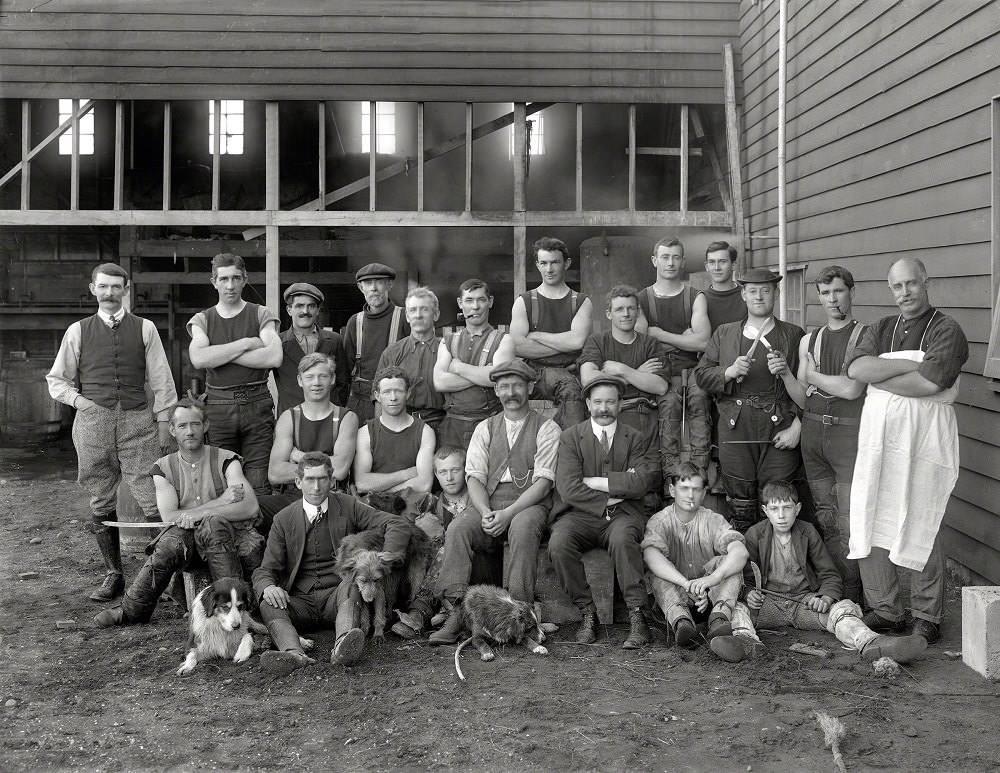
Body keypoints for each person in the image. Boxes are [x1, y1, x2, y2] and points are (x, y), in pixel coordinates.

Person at [845, 258, 969, 644]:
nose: (905, 293)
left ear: (925, 281)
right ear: (890, 289)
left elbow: (932, 383)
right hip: (881, 437)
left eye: (911, 284)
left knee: (924, 517)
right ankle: (886, 609)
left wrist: (883, 374)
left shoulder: (946, 328)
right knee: (873, 512)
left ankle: (926, 615)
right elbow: (855, 369)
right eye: (897, 286)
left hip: (926, 437)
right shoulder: (882, 327)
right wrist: (907, 368)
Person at [47, 262, 178, 602]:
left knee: (152, 494)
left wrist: (164, 421)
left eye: (115, 287)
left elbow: (162, 379)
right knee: (100, 496)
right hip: (94, 421)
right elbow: (56, 380)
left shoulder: (145, 328)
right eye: (103, 287)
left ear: (126, 289)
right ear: (93, 289)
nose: (109, 293)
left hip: (138, 421)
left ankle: (158, 575)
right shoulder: (78, 330)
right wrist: (80, 402)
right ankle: (114, 575)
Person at [94, 399, 262, 627]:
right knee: (168, 545)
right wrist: (222, 501)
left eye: (195, 424)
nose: (190, 431)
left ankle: (237, 616)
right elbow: (170, 516)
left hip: (229, 535)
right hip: (188, 538)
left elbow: (250, 507)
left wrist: (200, 513)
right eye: (182, 426)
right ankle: (132, 611)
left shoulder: (227, 460)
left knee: (214, 525)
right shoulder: (163, 468)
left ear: (205, 426)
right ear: (172, 430)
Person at [430, 359, 560, 645]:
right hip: (490, 502)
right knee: (459, 528)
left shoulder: (547, 429)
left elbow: (543, 483)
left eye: (516, 385)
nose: (510, 392)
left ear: (530, 387)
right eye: (503, 387)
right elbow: (474, 477)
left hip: (529, 505)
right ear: (496, 391)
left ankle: (520, 613)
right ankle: (457, 613)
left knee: (523, 528)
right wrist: (487, 511)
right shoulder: (485, 428)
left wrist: (508, 513)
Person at [252, 452, 411, 672]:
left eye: (322, 479)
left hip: (337, 597)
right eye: (309, 479)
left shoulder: (348, 506)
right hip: (300, 602)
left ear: (332, 481)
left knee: (351, 584)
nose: (316, 487)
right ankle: (293, 654)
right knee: (268, 602)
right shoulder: (283, 519)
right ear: (298, 482)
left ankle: (343, 647)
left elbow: (395, 523)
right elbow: (265, 569)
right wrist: (268, 586)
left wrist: (388, 553)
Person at [739, 481, 927, 663]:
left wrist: (825, 598)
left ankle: (870, 641)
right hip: (768, 604)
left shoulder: (807, 532)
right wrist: (749, 594)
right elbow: (744, 578)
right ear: (765, 511)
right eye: (774, 509)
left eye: (787, 508)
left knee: (842, 609)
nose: (781, 515)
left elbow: (829, 574)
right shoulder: (755, 535)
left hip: (803, 603)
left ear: (797, 509)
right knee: (737, 609)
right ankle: (744, 642)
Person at [549, 375, 660, 649]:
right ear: (588, 404)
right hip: (581, 516)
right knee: (559, 542)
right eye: (598, 402)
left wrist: (596, 482)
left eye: (610, 402)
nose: (603, 408)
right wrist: (617, 487)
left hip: (623, 515)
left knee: (623, 540)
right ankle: (587, 613)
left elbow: (641, 482)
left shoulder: (635, 438)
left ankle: (637, 616)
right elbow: (568, 488)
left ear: (620, 404)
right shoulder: (571, 437)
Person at [694, 268, 805, 533]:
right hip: (736, 428)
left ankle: (777, 566)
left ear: (776, 294)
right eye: (753, 291)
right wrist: (728, 372)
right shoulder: (724, 334)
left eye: (766, 291)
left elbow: (808, 389)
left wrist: (798, 428)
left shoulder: (793, 334)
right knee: (741, 502)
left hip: (780, 429)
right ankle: (745, 568)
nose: (759, 297)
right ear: (743, 294)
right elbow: (702, 375)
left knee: (778, 499)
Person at [792, 266, 867, 602]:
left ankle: (857, 593)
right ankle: (837, 589)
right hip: (813, 435)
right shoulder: (810, 340)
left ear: (851, 291)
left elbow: (851, 390)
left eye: (838, 291)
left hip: (848, 438)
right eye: (825, 293)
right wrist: (786, 376)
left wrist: (814, 376)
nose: (832, 299)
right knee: (826, 517)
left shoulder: (866, 336)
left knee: (851, 520)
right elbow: (800, 395)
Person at [187, 253, 282, 496]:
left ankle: (257, 533)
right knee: (223, 479)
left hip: (257, 403)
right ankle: (226, 534)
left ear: (245, 279)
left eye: (236, 278)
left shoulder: (261, 313)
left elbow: (274, 357)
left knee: (259, 481)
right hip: (219, 407)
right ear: (214, 282)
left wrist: (219, 355)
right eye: (224, 279)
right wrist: (247, 343)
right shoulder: (202, 319)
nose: (230, 286)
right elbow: (199, 358)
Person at [642, 462, 750, 663]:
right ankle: (682, 624)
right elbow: (650, 556)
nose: (690, 495)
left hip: (710, 600)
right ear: (672, 490)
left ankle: (719, 619)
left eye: (696, 489)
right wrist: (686, 584)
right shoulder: (660, 521)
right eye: (684, 488)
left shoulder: (713, 519)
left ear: (704, 493)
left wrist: (712, 579)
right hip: (675, 600)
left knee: (730, 563)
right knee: (658, 569)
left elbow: (740, 551)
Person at [635, 237, 712, 477]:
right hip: (659, 371)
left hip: (692, 369)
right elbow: (641, 340)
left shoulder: (694, 297)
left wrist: (660, 334)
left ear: (683, 261)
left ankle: (698, 475)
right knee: (668, 405)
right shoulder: (641, 299)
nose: (670, 263)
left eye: (676, 257)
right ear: (654, 260)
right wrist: (683, 338)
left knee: (700, 401)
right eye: (665, 257)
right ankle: (671, 478)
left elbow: (702, 342)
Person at [581, 285, 670, 490]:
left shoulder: (650, 344)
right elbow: (588, 379)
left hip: (643, 415)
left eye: (631, 308)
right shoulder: (597, 341)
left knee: (646, 486)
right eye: (619, 309)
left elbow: (660, 386)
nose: (626, 313)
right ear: (608, 314)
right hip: (609, 416)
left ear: (638, 311)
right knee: (610, 479)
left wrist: (623, 370)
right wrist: (638, 374)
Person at [260, 353, 358, 533]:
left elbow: (341, 470)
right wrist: (326, 464)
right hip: (294, 495)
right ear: (299, 380)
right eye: (309, 377)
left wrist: (299, 456)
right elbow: (275, 473)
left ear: (333, 379)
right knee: (253, 507)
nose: (316, 383)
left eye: (323, 376)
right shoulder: (289, 417)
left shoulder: (346, 417)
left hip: (332, 496)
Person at [509, 237, 591, 429]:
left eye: (555, 262)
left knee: (572, 389)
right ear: (537, 265)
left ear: (566, 264)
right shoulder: (525, 301)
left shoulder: (580, 301)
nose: (549, 269)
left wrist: (537, 336)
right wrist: (564, 344)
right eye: (544, 263)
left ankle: (571, 449)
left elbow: (577, 342)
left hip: (571, 373)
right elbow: (518, 346)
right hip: (533, 373)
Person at [391, 445, 471, 640]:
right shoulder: (430, 503)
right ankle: (423, 612)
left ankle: (422, 612)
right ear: (436, 474)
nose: (449, 478)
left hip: (470, 565)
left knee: (447, 548)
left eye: (455, 470)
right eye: (443, 472)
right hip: (435, 572)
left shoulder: (476, 499)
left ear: (466, 470)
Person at [433, 279, 515, 449]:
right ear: (460, 303)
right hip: (453, 425)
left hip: (490, 423)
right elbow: (440, 382)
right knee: (452, 474)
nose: (475, 306)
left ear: (490, 302)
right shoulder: (448, 341)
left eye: (481, 300)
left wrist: (459, 368)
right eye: (469, 300)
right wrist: (484, 372)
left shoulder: (504, 340)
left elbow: (498, 379)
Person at [353, 366, 435, 498]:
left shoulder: (424, 431)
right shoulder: (365, 433)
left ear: (408, 393)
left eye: (398, 391)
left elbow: (424, 485)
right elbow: (362, 483)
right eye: (387, 392)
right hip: (374, 509)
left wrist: (381, 490)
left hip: (411, 508)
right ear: (377, 396)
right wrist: (406, 474)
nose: (393, 397)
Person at [343, 262, 409, 423]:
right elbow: (343, 371)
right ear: (361, 287)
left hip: (395, 401)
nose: (374, 288)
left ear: (389, 284)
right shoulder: (355, 322)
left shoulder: (404, 317)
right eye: (368, 283)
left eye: (379, 282)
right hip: (361, 402)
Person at [376, 286, 445, 437]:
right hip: (401, 425)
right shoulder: (392, 353)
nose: (418, 315)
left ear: (436, 314)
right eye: (413, 310)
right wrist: (382, 434)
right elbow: (379, 399)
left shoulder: (448, 350)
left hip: (441, 425)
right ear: (407, 316)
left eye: (425, 309)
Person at [273, 282, 349, 416]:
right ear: (289, 310)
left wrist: (336, 408)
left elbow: (343, 381)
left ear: (318, 310)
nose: (305, 311)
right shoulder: (277, 343)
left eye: (311, 306)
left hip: (328, 415)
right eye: (299, 306)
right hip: (291, 417)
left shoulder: (334, 340)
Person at [702, 241, 747, 332]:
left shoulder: (747, 296)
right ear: (706, 266)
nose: (717, 267)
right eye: (712, 262)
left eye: (722, 262)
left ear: (733, 265)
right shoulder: (700, 299)